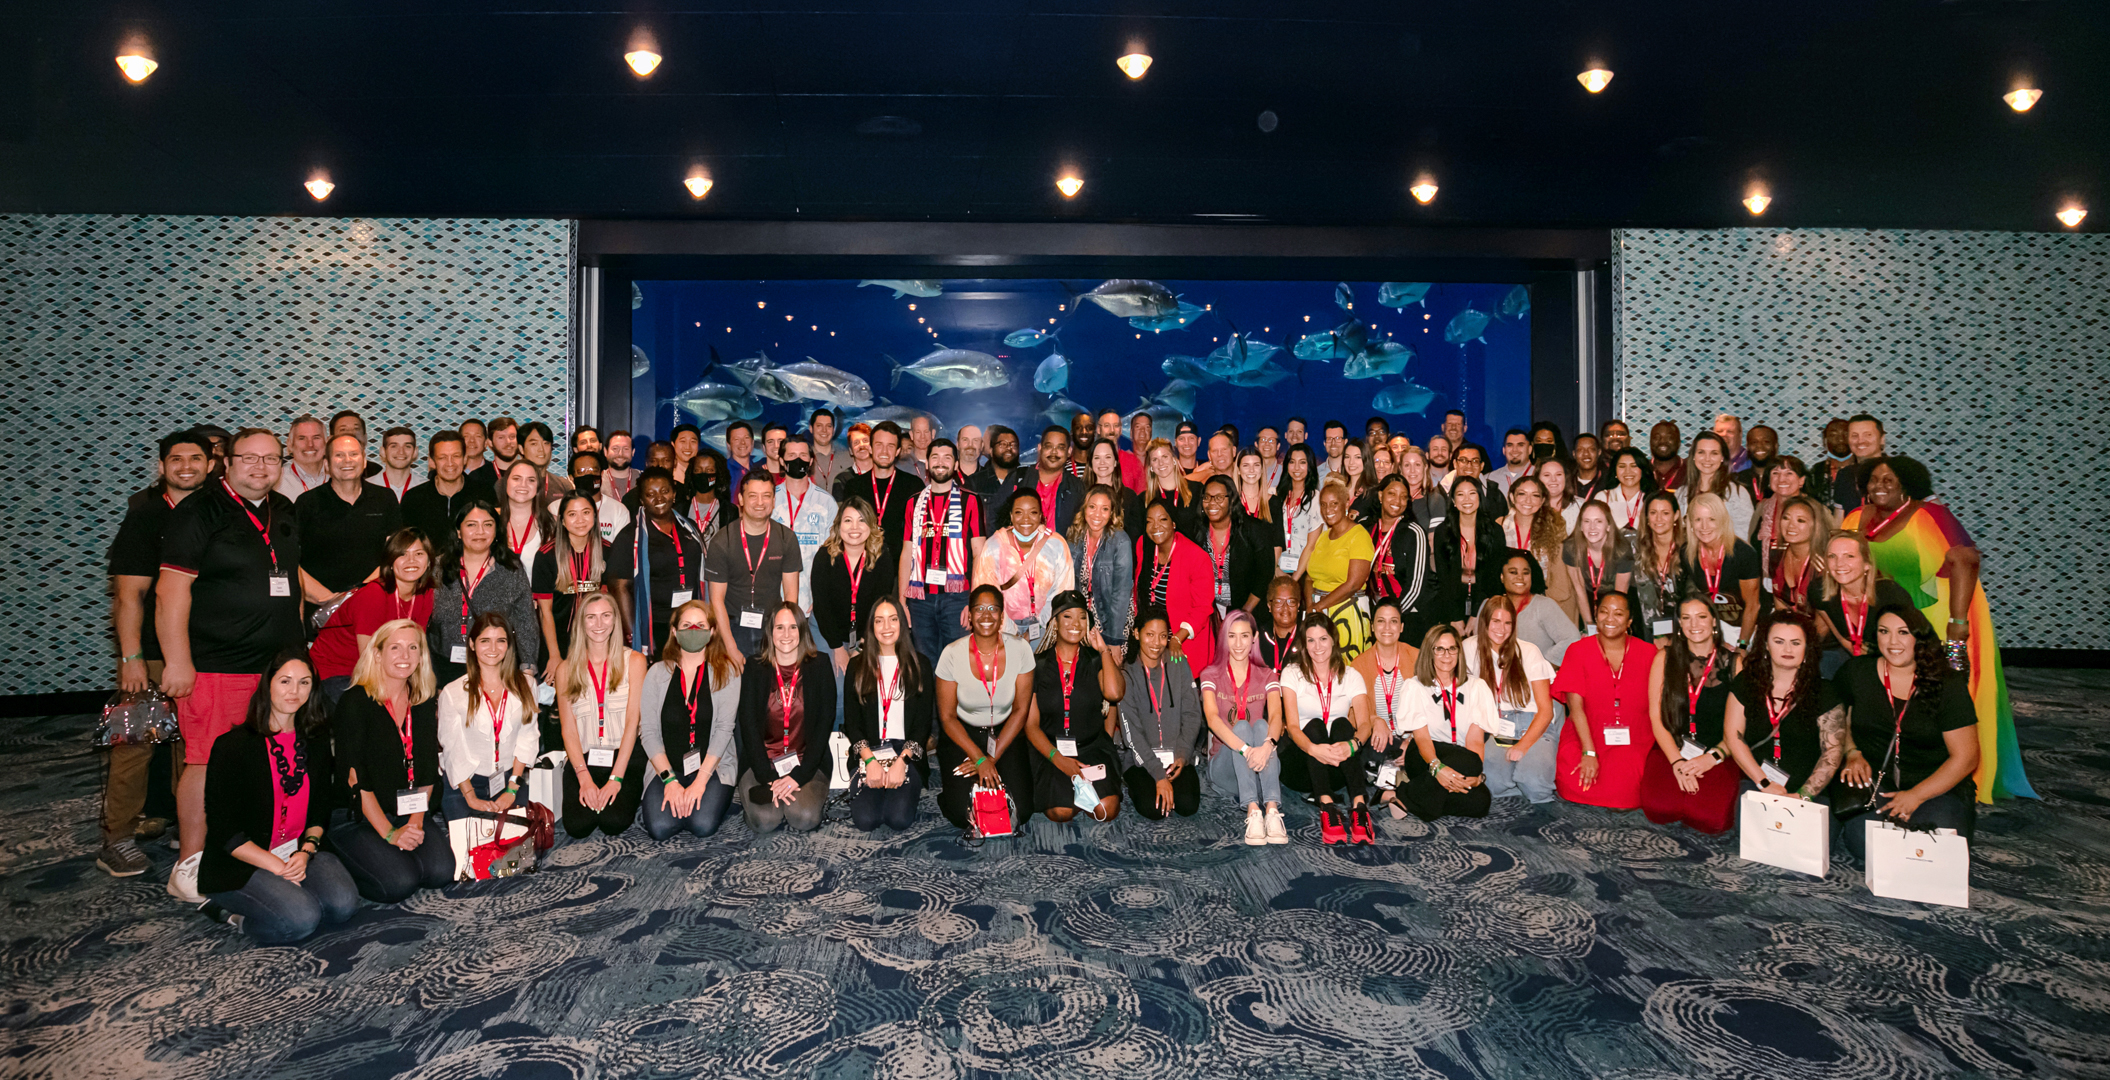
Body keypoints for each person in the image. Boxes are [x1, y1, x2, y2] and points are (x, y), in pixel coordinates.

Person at [157, 427, 305, 903]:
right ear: (228, 461)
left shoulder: (282, 510)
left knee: (264, 759)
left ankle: (252, 848)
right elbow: (171, 592)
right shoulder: (199, 511)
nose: (261, 467)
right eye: (250, 458)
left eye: (271, 459)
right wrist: (178, 661)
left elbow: (291, 583)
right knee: (206, 762)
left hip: (275, 666)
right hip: (218, 665)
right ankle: (190, 864)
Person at [1839, 456, 2031, 801]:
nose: (1880, 486)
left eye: (1889, 480)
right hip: (1884, 623)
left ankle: (1958, 771)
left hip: (1936, 621)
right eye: (1874, 479)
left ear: (1907, 485)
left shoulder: (1931, 515)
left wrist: (1958, 623)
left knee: (1944, 694)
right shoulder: (1855, 518)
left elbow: (1965, 560)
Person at [101, 429, 210, 877]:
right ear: (162, 466)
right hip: (149, 655)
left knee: (193, 746)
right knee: (134, 745)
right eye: (177, 459)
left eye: (196, 458)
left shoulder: (216, 511)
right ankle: (117, 838)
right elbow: (128, 595)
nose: (187, 466)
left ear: (211, 464)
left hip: (203, 651)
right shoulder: (145, 516)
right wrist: (131, 659)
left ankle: (188, 829)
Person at [197, 650, 355, 942]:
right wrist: (277, 867)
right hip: (242, 861)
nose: (295, 691)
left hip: (297, 850)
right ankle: (232, 916)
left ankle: (285, 895)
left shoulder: (316, 741)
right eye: (285, 681)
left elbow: (321, 807)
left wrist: (307, 851)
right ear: (267, 684)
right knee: (303, 919)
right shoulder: (232, 746)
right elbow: (224, 830)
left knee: (343, 905)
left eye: (304, 683)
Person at [1830, 604, 1981, 862]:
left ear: (1919, 638)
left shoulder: (1947, 683)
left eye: (1903, 632)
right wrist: (1851, 751)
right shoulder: (1856, 672)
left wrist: (1916, 796)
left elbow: (1966, 758)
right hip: (1878, 781)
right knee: (1863, 842)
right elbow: (1836, 719)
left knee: (1936, 847)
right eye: (1884, 631)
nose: (1892, 642)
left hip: (1936, 785)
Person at [331, 619, 455, 902]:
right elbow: (355, 778)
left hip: (405, 807)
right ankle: (345, 859)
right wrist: (390, 834)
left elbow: (427, 770)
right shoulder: (355, 701)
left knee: (441, 872)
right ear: (377, 654)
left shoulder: (422, 700)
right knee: (399, 883)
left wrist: (415, 823)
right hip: (359, 814)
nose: (405, 656)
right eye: (395, 648)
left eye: (413, 648)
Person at [933, 585, 1038, 832]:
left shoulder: (1021, 650)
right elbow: (947, 717)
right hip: (963, 735)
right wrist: (978, 758)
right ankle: (951, 792)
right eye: (979, 609)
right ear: (969, 615)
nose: (986, 615)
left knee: (1022, 810)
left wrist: (991, 758)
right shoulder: (951, 654)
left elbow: (1021, 710)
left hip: (1005, 733)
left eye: (993, 608)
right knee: (963, 814)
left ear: (1002, 616)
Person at [1637, 598, 1742, 833]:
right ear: (1680, 624)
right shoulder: (1664, 658)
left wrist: (1712, 758)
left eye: (1701, 617)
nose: (1694, 624)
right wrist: (1676, 762)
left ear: (1713, 621)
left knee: (1712, 820)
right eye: (1686, 618)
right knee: (1658, 810)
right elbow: (1656, 716)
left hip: (1719, 750)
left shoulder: (1734, 663)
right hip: (1673, 745)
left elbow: (1740, 727)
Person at [1022, 592, 1128, 823]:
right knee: (1061, 812)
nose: (1075, 624)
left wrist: (1104, 650)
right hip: (1052, 749)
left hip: (1091, 747)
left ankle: (1082, 791)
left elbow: (1114, 694)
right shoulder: (1038, 664)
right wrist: (1059, 760)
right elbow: (1030, 726)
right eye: (1067, 616)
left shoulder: (1096, 659)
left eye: (1082, 617)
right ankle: (1076, 793)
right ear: (1055, 622)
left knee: (1107, 810)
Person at [638, 600, 739, 840]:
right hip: (667, 767)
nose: (693, 631)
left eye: (700, 625)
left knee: (702, 824)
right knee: (660, 828)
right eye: (686, 625)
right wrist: (670, 781)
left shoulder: (727, 671)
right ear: (674, 631)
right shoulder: (656, 674)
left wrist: (700, 782)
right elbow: (648, 732)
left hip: (711, 767)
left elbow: (724, 730)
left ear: (712, 631)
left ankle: (717, 798)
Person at [1723, 610, 1846, 801]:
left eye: (1795, 643)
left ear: (1807, 648)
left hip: (1809, 790)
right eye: (1779, 641)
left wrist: (1803, 795)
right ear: (1766, 645)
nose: (1787, 649)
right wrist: (1764, 783)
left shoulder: (1824, 691)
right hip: (1756, 781)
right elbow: (1732, 736)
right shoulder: (1746, 682)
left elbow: (1832, 752)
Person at [1551, 591, 1658, 811]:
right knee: (1574, 781)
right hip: (1587, 732)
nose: (1610, 619)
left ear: (1629, 620)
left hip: (1635, 736)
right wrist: (1589, 752)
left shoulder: (1649, 653)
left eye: (1618, 614)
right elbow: (1575, 708)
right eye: (1604, 612)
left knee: (1630, 789)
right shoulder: (1577, 651)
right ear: (1596, 614)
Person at [735, 603, 835, 833]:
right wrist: (767, 777)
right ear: (770, 632)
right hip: (762, 762)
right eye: (779, 627)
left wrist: (798, 777)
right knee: (765, 821)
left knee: (804, 818)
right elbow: (748, 727)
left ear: (802, 630)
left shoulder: (820, 665)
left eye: (793, 627)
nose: (786, 634)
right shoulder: (754, 668)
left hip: (806, 762)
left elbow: (823, 726)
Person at [435, 611, 539, 828]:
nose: (493, 648)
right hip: (464, 781)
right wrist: (470, 796)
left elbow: (528, 738)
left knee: (514, 843)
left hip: (510, 777)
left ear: (508, 645)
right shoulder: (452, 693)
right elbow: (452, 750)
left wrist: (512, 788)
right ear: (472, 644)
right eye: (485, 641)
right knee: (470, 844)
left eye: (500, 641)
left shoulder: (527, 685)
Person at [1278, 615, 1374, 845]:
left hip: (1338, 767)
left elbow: (1365, 725)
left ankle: (1360, 808)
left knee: (1342, 724)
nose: (1317, 647)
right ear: (1304, 644)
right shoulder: (1292, 673)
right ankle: (1328, 808)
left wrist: (1352, 745)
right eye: (1311, 640)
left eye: (1323, 639)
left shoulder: (1351, 676)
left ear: (1333, 640)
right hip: (1301, 764)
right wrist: (1314, 749)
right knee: (1314, 725)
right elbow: (1292, 727)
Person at [839, 596, 932, 832]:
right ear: (871, 627)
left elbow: (923, 725)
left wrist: (903, 761)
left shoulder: (920, 664)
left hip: (905, 750)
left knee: (898, 818)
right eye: (879, 621)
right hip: (868, 749)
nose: (886, 627)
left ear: (903, 623)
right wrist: (869, 761)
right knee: (866, 820)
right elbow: (852, 723)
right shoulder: (857, 666)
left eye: (893, 619)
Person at [312, 528, 437, 702]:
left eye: (419, 554)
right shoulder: (374, 595)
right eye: (402, 554)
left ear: (429, 561)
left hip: (388, 665)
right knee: (371, 708)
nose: (411, 561)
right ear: (390, 562)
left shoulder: (426, 593)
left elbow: (417, 645)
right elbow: (368, 658)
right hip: (339, 670)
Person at [1463, 595, 1562, 803]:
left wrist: (1523, 746)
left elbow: (1546, 711)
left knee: (1535, 784)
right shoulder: (1469, 648)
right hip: (1496, 725)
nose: (1502, 629)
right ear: (1485, 621)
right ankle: (1516, 781)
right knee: (1491, 784)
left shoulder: (1529, 651)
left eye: (1508, 623)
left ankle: (1527, 781)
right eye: (1496, 621)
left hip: (1533, 724)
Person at [428, 501, 538, 689]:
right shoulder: (437, 568)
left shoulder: (511, 569)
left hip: (496, 665)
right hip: (443, 667)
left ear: (496, 531)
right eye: (471, 525)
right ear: (458, 532)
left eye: (488, 524)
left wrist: (527, 668)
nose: (480, 532)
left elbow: (525, 621)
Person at [1201, 610, 1288, 844]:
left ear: (1254, 638)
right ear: (1224, 639)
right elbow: (1212, 719)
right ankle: (1253, 810)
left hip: (1263, 767)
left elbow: (1277, 715)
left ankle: (1271, 810)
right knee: (1241, 727)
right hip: (1225, 768)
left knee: (1261, 725)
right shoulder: (1210, 674)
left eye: (1244, 636)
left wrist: (1267, 747)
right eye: (1232, 636)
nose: (1238, 644)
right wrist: (1246, 750)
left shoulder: (1268, 675)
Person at [608, 467, 715, 656]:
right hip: (654, 626)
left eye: (664, 491)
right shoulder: (630, 537)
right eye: (651, 494)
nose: (659, 499)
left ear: (674, 494)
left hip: (691, 621)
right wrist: (632, 633)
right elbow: (619, 587)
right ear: (642, 500)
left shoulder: (689, 528)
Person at [1395, 625, 1494, 823]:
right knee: (1470, 763)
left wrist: (1476, 776)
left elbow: (1475, 741)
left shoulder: (1476, 687)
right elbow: (1422, 738)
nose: (1446, 655)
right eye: (1439, 649)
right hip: (1425, 756)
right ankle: (1421, 792)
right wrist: (1437, 768)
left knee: (1481, 801)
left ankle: (1405, 795)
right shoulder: (1415, 687)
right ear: (1429, 652)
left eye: (1452, 648)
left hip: (1461, 759)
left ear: (1459, 652)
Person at [697, 471, 799, 662]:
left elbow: (791, 596)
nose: (760, 502)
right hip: (732, 626)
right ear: (741, 499)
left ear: (774, 500)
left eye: (766, 496)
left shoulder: (786, 538)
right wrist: (730, 646)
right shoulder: (722, 541)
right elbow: (716, 600)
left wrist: (784, 635)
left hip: (772, 625)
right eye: (753, 496)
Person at [898, 439, 983, 660]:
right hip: (920, 599)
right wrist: (902, 601)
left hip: (958, 599)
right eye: (935, 457)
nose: (940, 462)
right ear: (927, 463)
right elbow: (906, 553)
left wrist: (974, 602)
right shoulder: (913, 503)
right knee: (924, 663)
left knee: (958, 662)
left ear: (956, 465)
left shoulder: (971, 501)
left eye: (947, 458)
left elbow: (980, 555)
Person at [295, 433, 403, 608]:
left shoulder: (384, 498)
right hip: (321, 605)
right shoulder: (307, 503)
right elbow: (290, 558)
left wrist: (360, 593)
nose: (347, 460)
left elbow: (395, 553)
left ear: (364, 461)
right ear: (326, 464)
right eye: (339, 455)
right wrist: (328, 599)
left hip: (373, 600)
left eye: (353, 454)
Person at [975, 490, 1076, 648]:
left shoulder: (1056, 544)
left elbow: (1063, 591)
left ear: (1041, 515)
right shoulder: (994, 546)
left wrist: (1041, 627)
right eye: (1019, 512)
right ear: (1011, 516)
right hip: (1003, 629)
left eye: (1033, 512)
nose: (1026, 519)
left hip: (1047, 628)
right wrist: (1011, 632)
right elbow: (987, 594)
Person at [1351, 599, 1420, 817]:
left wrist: (1413, 739)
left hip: (1413, 737)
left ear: (1402, 626)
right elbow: (1351, 714)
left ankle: (1387, 788)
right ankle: (1399, 784)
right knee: (1367, 751)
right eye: (1381, 621)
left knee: (1427, 752)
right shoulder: (1358, 665)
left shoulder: (1417, 658)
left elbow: (1430, 706)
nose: (1387, 628)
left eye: (1393, 621)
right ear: (1372, 626)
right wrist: (1375, 720)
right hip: (1380, 741)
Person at [1813, 530, 1914, 675]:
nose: (1839, 564)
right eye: (1832, 556)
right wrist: (1847, 644)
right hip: (1851, 659)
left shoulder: (1890, 594)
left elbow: (1911, 642)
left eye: (1849, 556)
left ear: (1867, 564)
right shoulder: (1819, 590)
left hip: (1894, 661)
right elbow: (1834, 630)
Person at [1131, 500, 1214, 671]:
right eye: (1149, 521)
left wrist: (1177, 638)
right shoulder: (1143, 545)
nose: (1156, 526)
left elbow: (1202, 608)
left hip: (1183, 643)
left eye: (1163, 519)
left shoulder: (1196, 557)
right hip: (1153, 642)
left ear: (1173, 523)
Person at [532, 494, 608, 662]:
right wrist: (554, 655)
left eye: (586, 512)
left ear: (595, 516)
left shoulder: (609, 551)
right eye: (572, 514)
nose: (580, 520)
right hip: (557, 642)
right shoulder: (546, 556)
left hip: (599, 640)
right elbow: (545, 612)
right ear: (562, 521)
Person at [1683, 493, 1762, 650]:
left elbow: (1753, 606)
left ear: (1722, 520)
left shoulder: (1743, 554)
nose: (1704, 527)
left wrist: (1742, 646)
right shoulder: (1687, 554)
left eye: (1711, 519)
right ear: (1690, 523)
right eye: (1698, 520)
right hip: (1711, 627)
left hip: (1743, 629)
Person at [771, 433, 838, 617]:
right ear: (782, 461)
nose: (798, 460)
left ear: (811, 461)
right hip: (774, 598)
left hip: (815, 598)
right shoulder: (770, 500)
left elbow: (834, 553)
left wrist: (824, 594)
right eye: (792, 456)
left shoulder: (826, 502)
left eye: (803, 455)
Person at [1365, 475, 1436, 644]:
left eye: (1404, 497)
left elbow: (1416, 587)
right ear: (1380, 495)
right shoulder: (1366, 529)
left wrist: (1392, 618)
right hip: (1375, 616)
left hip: (1409, 617)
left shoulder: (1414, 532)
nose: (1398, 500)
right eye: (1391, 494)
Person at [1190, 475, 1271, 617]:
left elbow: (1265, 575)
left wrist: (1244, 612)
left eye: (1219, 498)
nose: (1211, 503)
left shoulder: (1253, 529)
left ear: (1232, 499)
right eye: (1207, 497)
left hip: (1248, 612)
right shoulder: (1196, 532)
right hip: (1208, 612)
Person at [1430, 476, 1503, 635]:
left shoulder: (1495, 531)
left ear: (1480, 497)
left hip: (1485, 603)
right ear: (1453, 501)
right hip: (1451, 604)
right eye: (1460, 494)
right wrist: (1455, 616)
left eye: (1472, 493)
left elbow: (1493, 577)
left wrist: (1477, 613)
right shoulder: (1443, 532)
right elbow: (1444, 577)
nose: (1467, 499)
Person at [1070, 484, 1135, 661]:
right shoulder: (1075, 536)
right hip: (1083, 619)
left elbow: (1121, 594)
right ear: (1084, 508)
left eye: (1104, 509)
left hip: (1112, 620)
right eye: (1092, 507)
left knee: (1110, 672)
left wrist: (1114, 640)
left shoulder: (1120, 541)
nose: (1097, 514)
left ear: (1112, 513)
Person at [1503, 476, 1576, 626]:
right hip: (1507, 603)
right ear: (1512, 497)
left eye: (1535, 495)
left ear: (1542, 500)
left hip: (1544, 602)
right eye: (1522, 494)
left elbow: (1561, 580)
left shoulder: (1555, 528)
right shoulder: (1500, 525)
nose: (1528, 500)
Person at [839, 421, 925, 548]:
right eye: (879, 445)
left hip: (903, 558)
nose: (884, 451)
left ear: (897, 451)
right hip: (864, 558)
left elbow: (921, 533)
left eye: (890, 446)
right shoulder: (854, 486)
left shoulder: (913, 485)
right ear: (870, 448)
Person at [400, 430, 489, 551]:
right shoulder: (413, 498)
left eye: (456, 456)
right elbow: (406, 545)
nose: (450, 463)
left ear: (465, 459)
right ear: (432, 461)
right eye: (442, 457)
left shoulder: (484, 493)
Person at [990, 426, 1086, 536]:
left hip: (1060, 546)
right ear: (1040, 448)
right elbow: (993, 517)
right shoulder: (1019, 478)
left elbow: (1081, 530)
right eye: (1049, 446)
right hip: (1017, 546)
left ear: (1069, 451)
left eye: (1060, 448)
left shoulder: (1076, 488)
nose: (1054, 452)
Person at [1491, 553, 1581, 667]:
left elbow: (1572, 638)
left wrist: (1543, 664)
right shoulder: (1490, 606)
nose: (1520, 577)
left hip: (1533, 675)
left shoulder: (1544, 606)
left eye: (1526, 573)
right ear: (1502, 577)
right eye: (1513, 572)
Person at [1562, 500, 1634, 628]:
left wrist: (1609, 627)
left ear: (1608, 526)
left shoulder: (1621, 550)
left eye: (1598, 521)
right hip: (1587, 600)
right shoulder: (1571, 548)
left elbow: (1619, 597)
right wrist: (1589, 625)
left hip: (1618, 601)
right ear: (1580, 526)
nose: (1592, 527)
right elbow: (1579, 589)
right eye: (1587, 521)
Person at [1760, 495, 1830, 618]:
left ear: (1816, 526)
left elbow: (1824, 622)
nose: (1791, 525)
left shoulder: (1823, 563)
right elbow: (1779, 603)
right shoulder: (1776, 553)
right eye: (1786, 518)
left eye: (1800, 520)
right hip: (1789, 624)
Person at [1630, 491, 1686, 643]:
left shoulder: (1687, 548)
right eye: (1653, 513)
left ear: (1676, 516)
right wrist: (1659, 635)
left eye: (1665, 513)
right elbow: (1645, 597)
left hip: (1685, 621)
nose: (1659, 519)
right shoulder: (1638, 548)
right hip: (1650, 621)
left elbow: (1693, 594)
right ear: (1647, 517)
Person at [1681, 431, 1755, 539]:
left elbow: (1744, 536)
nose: (1707, 458)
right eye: (1701, 452)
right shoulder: (1681, 494)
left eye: (1714, 453)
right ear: (1693, 456)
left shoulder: (1737, 493)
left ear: (1722, 457)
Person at [1749, 455, 1812, 571]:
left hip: (1802, 577)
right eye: (1775, 473)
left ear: (1801, 480)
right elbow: (1750, 543)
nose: (1782, 479)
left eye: (1789, 473)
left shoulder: (1814, 509)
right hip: (1764, 578)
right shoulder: (1762, 508)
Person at [1270, 444, 1322, 574]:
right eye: (1292, 462)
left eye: (1302, 462)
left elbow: (1311, 545)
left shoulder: (1316, 499)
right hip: (1276, 569)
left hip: (1304, 571)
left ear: (1310, 466)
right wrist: (1276, 571)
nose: (1297, 467)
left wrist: (1295, 579)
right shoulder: (1275, 495)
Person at [560, 449, 631, 543]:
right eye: (581, 471)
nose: (588, 474)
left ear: (601, 474)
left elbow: (622, 547)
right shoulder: (557, 508)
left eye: (593, 470)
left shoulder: (619, 511)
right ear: (571, 478)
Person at [496, 459, 552, 567]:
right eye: (516, 479)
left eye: (531, 480)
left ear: (538, 486)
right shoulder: (491, 521)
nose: (523, 485)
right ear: (506, 482)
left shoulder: (551, 525)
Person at [1084, 437, 1144, 531]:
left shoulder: (1129, 497)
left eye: (1107, 457)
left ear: (1115, 462)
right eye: (1097, 458)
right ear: (1091, 463)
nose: (1102, 462)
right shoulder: (1081, 494)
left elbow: (1135, 532)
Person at [1142, 437, 1198, 536]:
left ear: (1174, 460)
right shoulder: (1143, 501)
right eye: (1155, 459)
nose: (1161, 463)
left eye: (1165, 457)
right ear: (1151, 467)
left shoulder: (1196, 490)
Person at [1600, 447, 1653, 545]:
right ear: (1615, 470)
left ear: (1642, 469)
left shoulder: (1651, 499)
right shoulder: (1603, 498)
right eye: (1622, 466)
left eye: (1634, 466)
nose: (1628, 471)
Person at [275, 415, 330, 501]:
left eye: (316, 438)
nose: (310, 444)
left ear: (326, 443)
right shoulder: (276, 481)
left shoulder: (338, 477)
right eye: (302, 438)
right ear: (290, 445)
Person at [518, 421, 574, 500]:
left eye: (546, 443)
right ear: (521, 449)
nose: (541, 449)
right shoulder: (510, 483)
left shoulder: (563, 485)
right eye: (534, 444)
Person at [1399, 446, 1448, 536]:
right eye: (1407, 465)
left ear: (1425, 467)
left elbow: (1435, 540)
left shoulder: (1435, 500)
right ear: (1400, 469)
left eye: (1417, 465)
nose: (1412, 470)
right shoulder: (1393, 499)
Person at [1256, 575, 1301, 671]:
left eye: (1291, 601)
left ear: (1298, 605)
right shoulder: (1258, 637)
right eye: (1278, 602)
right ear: (1269, 606)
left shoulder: (1307, 637)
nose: (1285, 607)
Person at [376, 426, 419, 502]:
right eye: (394, 446)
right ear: (383, 452)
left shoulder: (428, 488)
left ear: (415, 452)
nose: (401, 452)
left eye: (407, 446)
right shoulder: (365, 487)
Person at [1233, 447, 1274, 525]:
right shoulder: (1231, 503)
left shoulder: (1274, 502)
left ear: (1262, 469)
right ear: (1238, 470)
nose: (1251, 470)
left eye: (1256, 465)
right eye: (1246, 465)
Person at [1486, 428, 1533, 495]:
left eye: (1520, 445)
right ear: (1504, 450)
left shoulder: (1541, 475)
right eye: (1510, 445)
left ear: (1530, 449)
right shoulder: (1490, 479)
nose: (1515, 450)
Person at [1648, 420, 1685, 492]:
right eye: (1656, 438)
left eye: (1669, 438)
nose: (1662, 441)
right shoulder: (1640, 470)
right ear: (1650, 442)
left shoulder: (1690, 471)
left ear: (1679, 443)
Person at [1571, 433, 1607, 504]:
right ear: (1574, 454)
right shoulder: (1566, 482)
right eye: (1580, 449)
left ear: (1599, 452)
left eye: (1591, 449)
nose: (1586, 454)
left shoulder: (1608, 483)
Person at [602, 430, 638, 501]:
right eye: (615, 449)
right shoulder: (597, 481)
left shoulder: (643, 479)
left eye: (626, 449)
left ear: (633, 452)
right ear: (605, 451)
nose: (620, 453)